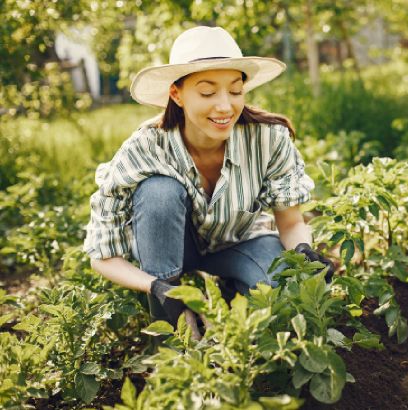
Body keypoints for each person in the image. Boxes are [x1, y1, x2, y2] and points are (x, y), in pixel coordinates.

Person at [83, 26, 333, 327]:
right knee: (158, 192)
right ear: (176, 94)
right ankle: (172, 324)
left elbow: (291, 223)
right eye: (207, 92)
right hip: (167, 250)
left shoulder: (268, 140)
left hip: (239, 241)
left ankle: (231, 294)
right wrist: (156, 286)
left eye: (235, 90)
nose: (225, 106)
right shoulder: (146, 147)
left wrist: (304, 251)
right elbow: (102, 255)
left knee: (283, 297)